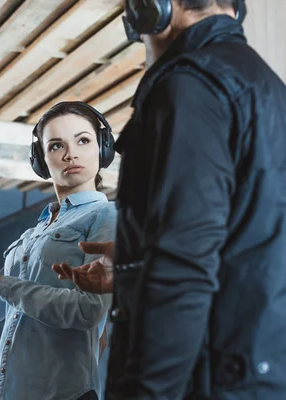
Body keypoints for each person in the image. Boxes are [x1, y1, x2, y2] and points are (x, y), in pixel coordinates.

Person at [55, 0, 286, 398]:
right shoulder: (266, 87)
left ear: (154, 8)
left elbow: (183, 270)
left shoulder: (191, 88)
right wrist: (138, 263)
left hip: (206, 379)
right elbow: (248, 241)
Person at [0, 101, 117, 400]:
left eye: (83, 140)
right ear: (41, 160)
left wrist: (0, 283)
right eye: (56, 146)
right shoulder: (30, 237)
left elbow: (88, 310)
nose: (71, 153)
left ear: (102, 148)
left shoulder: (107, 218)